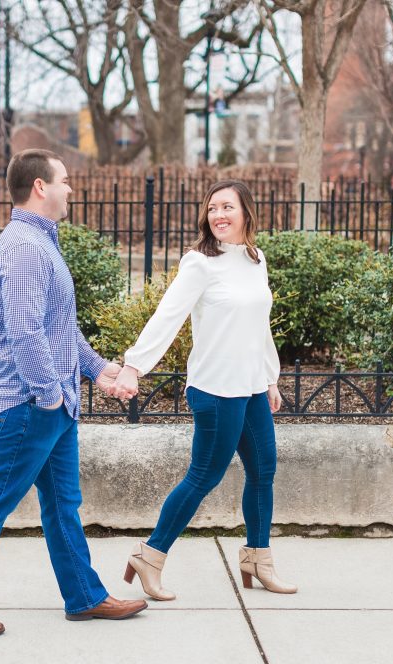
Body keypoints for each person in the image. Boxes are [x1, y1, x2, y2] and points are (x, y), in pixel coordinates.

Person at [0, 149, 148, 637]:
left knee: (63, 504)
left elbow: (57, 328)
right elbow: (25, 332)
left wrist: (99, 369)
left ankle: (84, 596)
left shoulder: (41, 241)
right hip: (31, 406)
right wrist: (48, 395)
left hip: (53, 405)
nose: (71, 189)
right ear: (41, 187)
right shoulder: (25, 246)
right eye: (65, 181)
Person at [112, 180, 297, 600]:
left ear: (246, 212)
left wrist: (270, 376)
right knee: (204, 477)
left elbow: (258, 324)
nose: (219, 215)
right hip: (215, 388)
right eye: (213, 208)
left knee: (264, 470)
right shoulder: (200, 263)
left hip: (250, 388)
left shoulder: (255, 258)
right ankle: (149, 555)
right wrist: (134, 365)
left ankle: (257, 559)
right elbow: (168, 315)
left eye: (227, 207)